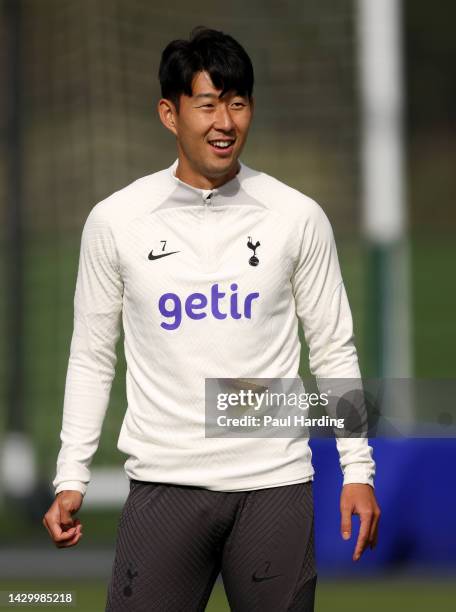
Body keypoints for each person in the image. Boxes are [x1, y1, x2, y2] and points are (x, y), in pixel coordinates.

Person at [42, 26, 380, 612]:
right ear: (170, 114)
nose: (225, 122)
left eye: (238, 102)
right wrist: (71, 477)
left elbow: (333, 349)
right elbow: (92, 355)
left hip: (274, 486)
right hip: (163, 486)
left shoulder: (297, 216)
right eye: (207, 104)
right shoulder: (116, 220)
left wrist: (359, 469)